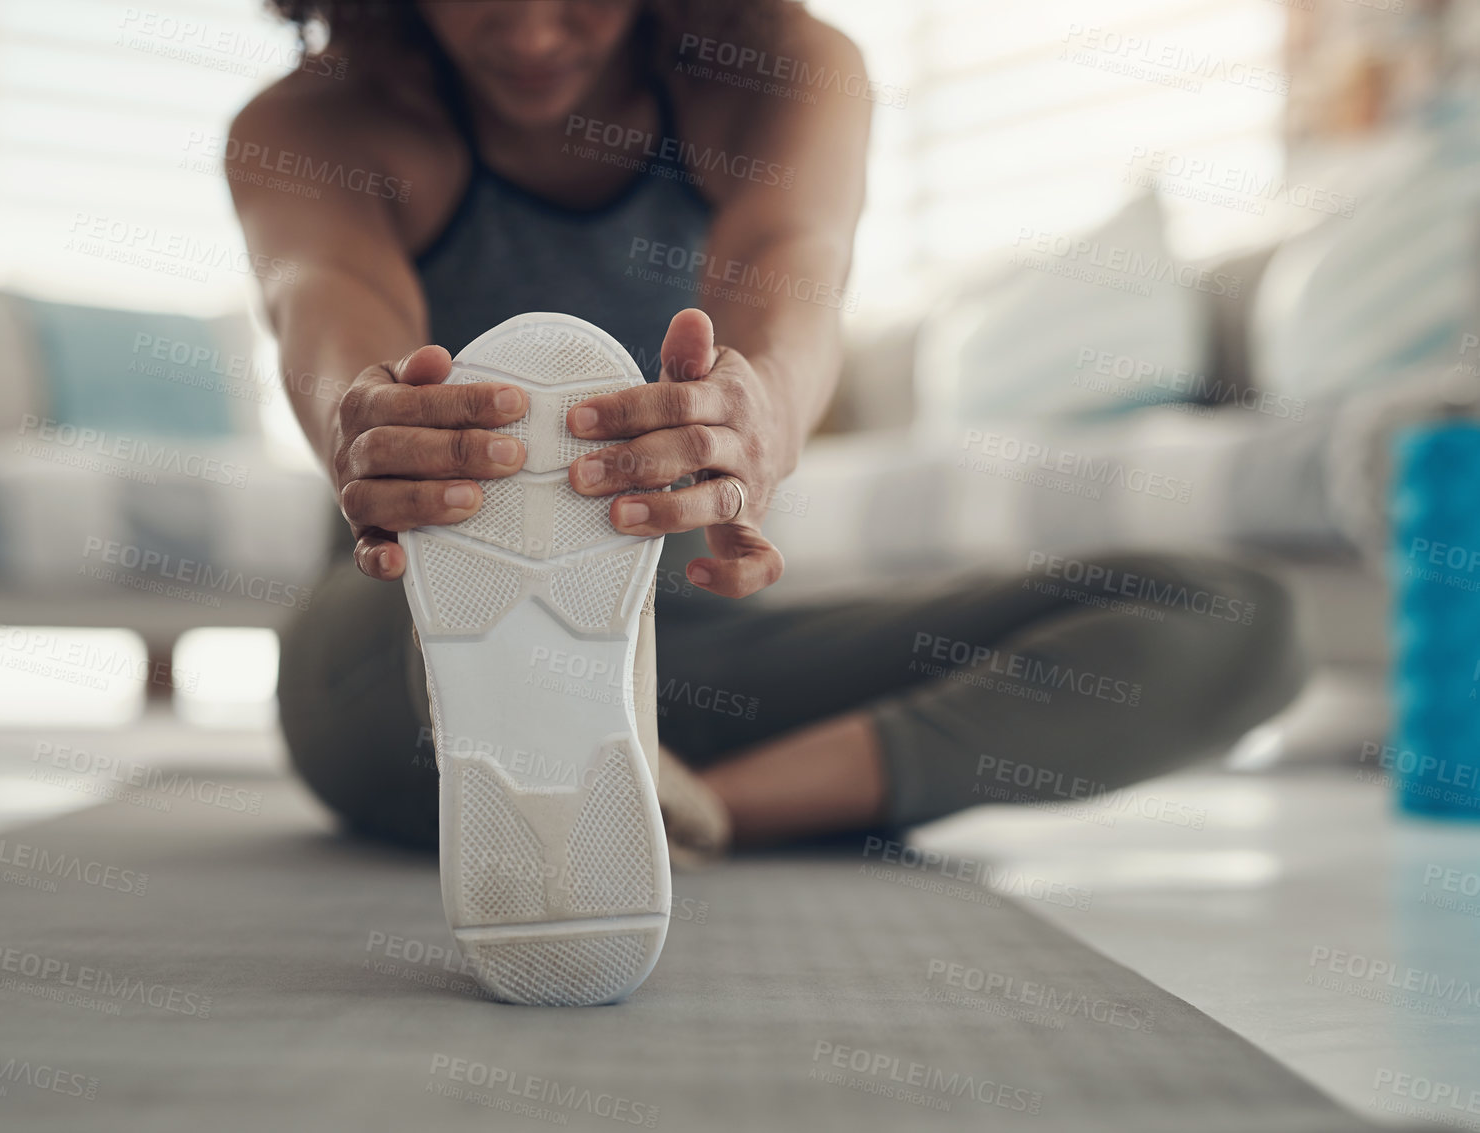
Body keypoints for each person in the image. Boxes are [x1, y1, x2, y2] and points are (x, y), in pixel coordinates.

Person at [227, 0, 1304, 855]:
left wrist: (759, 418)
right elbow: (322, 302)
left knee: (1232, 616)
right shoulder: (310, 126)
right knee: (458, 662)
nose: (531, 30)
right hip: (406, 631)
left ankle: (690, 808)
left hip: (694, 646)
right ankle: (574, 771)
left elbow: (794, 271)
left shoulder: (777, 71)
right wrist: (357, 419)